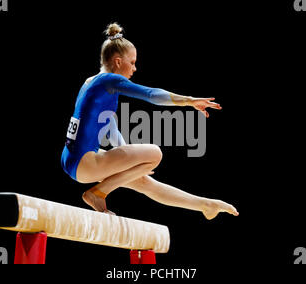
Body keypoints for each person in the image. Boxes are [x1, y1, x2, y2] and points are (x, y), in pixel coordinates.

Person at [61, 23, 238, 219]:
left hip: (72, 160)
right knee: (155, 153)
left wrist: (132, 164)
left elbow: (111, 130)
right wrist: (189, 101)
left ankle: (205, 205)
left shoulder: (91, 83)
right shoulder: (109, 81)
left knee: (144, 182)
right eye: (133, 62)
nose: (135, 68)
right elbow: (152, 95)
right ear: (118, 62)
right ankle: (97, 192)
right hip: (86, 163)